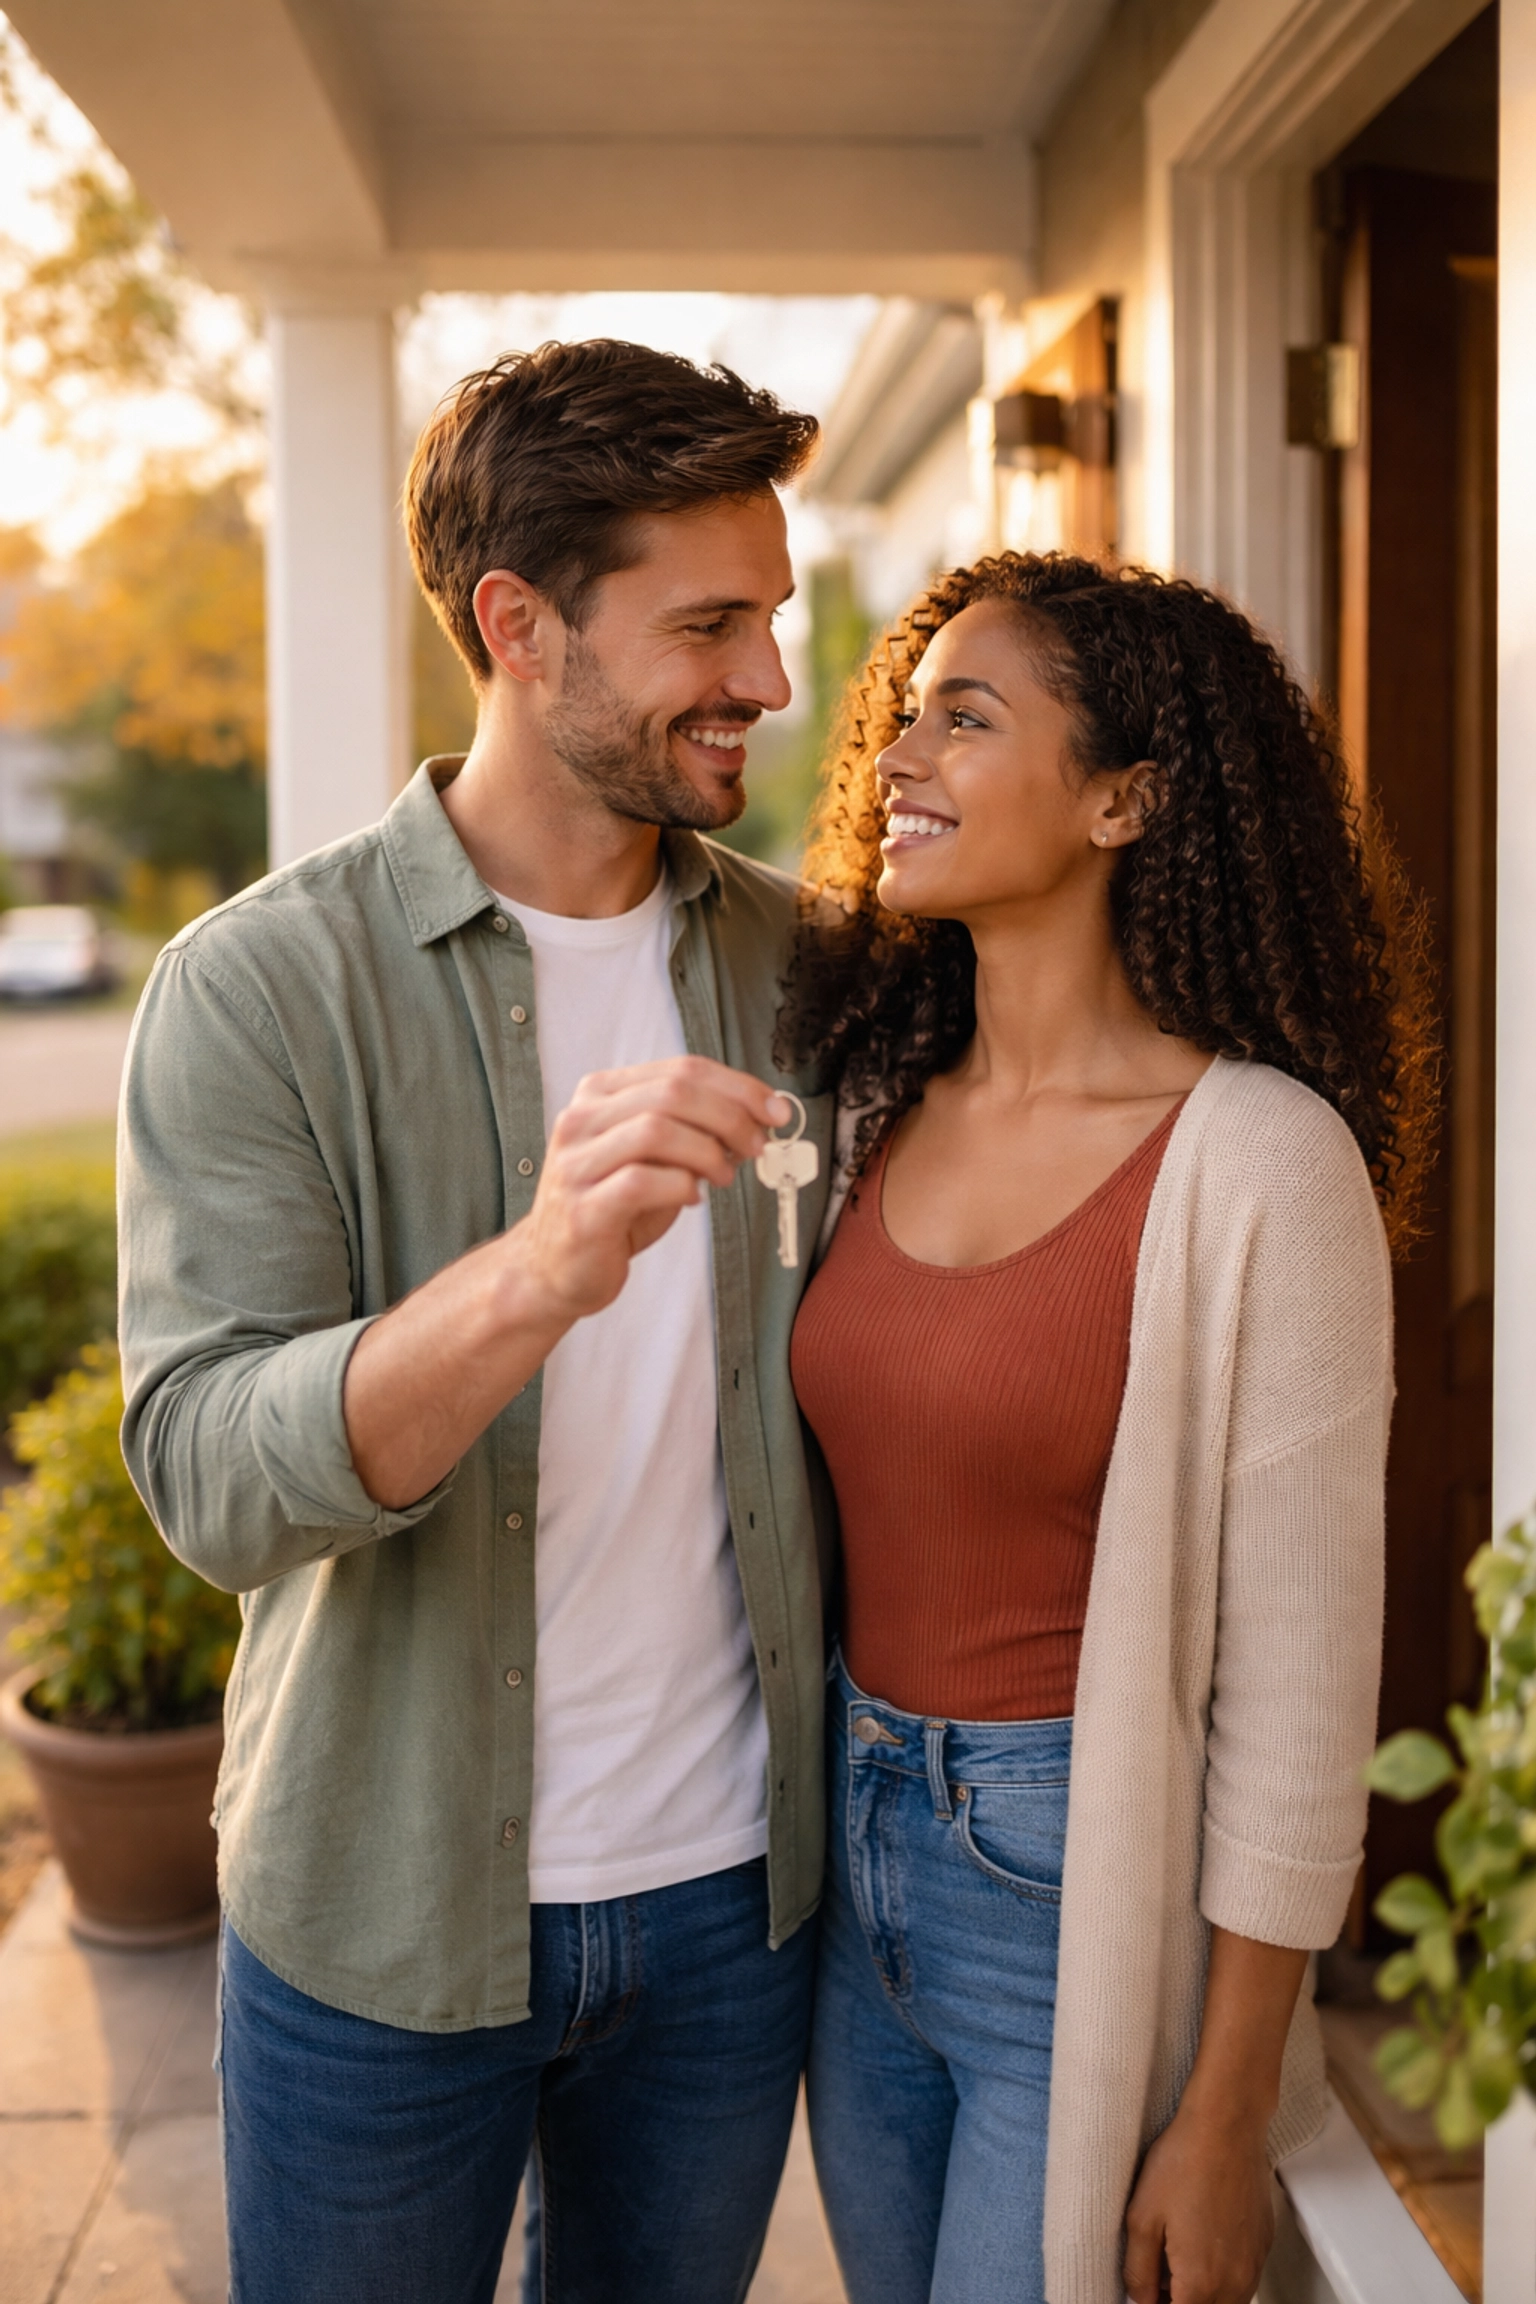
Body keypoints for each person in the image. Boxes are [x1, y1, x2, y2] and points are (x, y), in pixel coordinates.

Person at [117, 339, 836, 2304]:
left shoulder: (815, 970)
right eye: (710, 624)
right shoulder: (258, 989)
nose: (768, 678)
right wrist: (532, 1272)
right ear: (519, 625)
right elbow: (207, 1481)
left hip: (723, 1924)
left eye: (771, 615)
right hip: (379, 1917)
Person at [780, 552, 1430, 2304]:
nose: (899, 758)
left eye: (967, 721)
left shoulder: (1263, 1166)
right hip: (852, 1866)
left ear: (1127, 799)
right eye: (906, 718)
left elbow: (1303, 1702)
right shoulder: (865, 1108)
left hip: (1072, 1882)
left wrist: (1226, 2112)